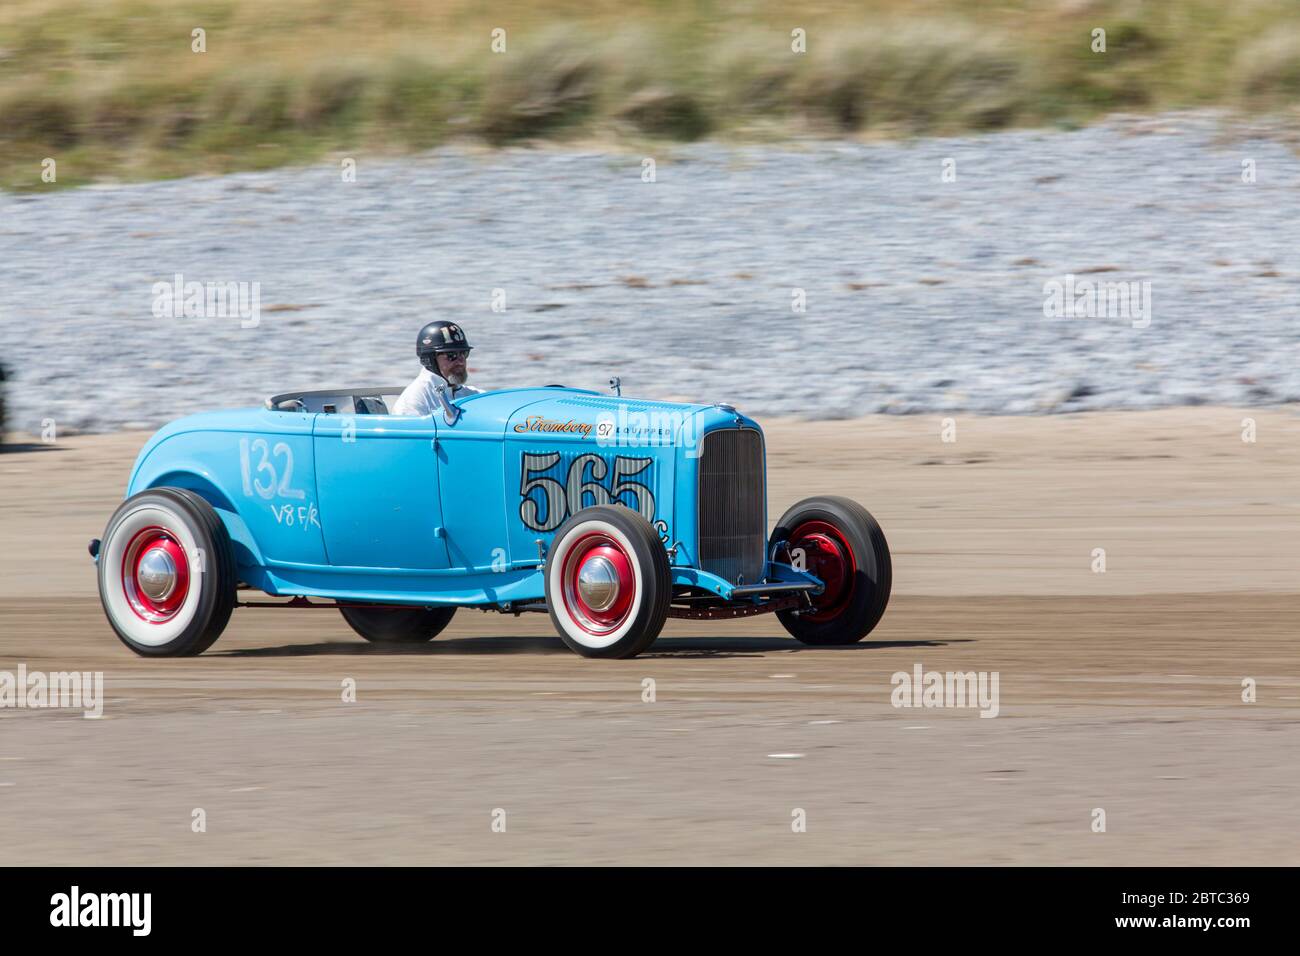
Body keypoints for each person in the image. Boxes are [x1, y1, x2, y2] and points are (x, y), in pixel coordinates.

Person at [392, 320, 482, 416]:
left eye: (463, 353)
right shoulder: (414, 401)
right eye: (452, 355)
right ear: (430, 359)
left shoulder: (474, 396)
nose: (460, 361)